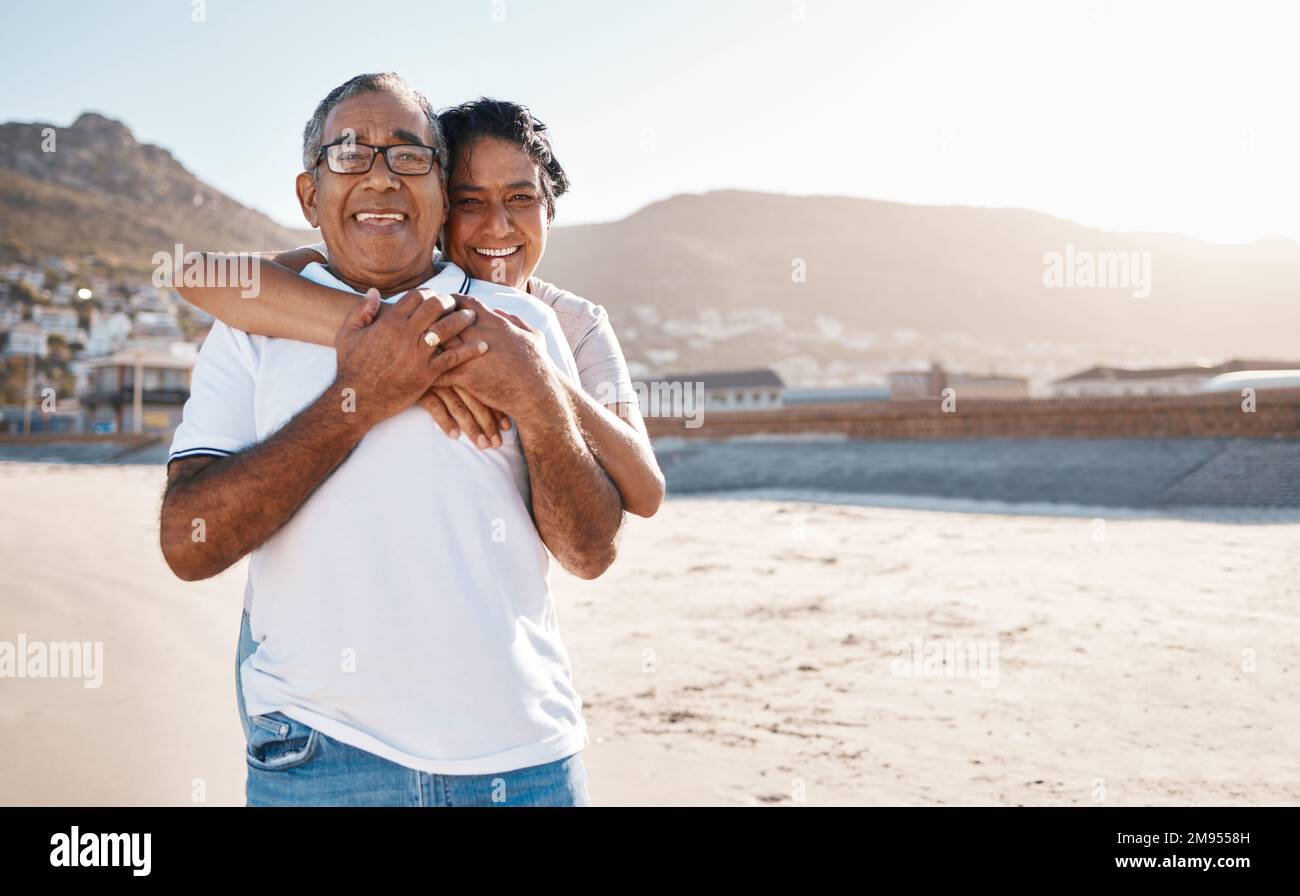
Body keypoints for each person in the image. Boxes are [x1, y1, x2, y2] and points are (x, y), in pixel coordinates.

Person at [160, 72, 624, 806]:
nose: (381, 178)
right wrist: (362, 398)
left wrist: (536, 397)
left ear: (440, 194)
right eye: (349, 155)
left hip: (525, 759)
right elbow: (189, 544)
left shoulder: (526, 327)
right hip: (320, 759)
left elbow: (591, 551)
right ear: (309, 195)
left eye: (409, 156)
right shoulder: (251, 328)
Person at [174, 98, 664, 518]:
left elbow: (644, 490)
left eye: (520, 198)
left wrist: (530, 374)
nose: (498, 227)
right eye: (470, 202)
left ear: (549, 214)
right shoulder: (371, 284)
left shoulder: (572, 322)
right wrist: (409, 341)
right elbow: (198, 275)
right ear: (437, 209)